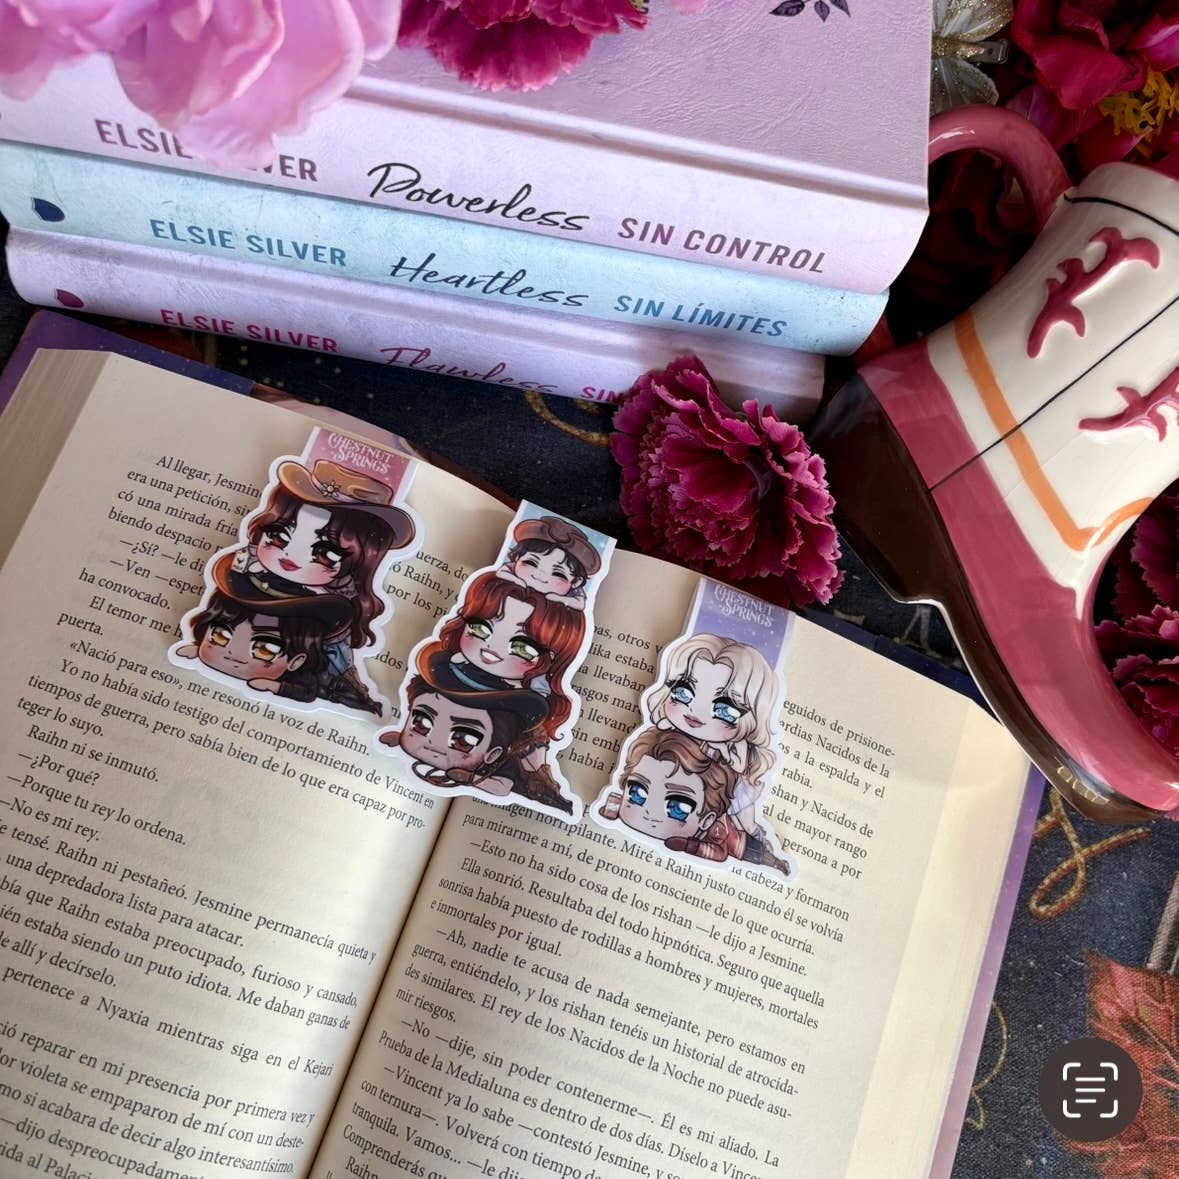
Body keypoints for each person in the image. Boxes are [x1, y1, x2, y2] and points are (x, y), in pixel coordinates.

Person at [175, 556, 379, 713]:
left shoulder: (307, 678)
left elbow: (308, 693)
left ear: (296, 661)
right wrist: (199, 650)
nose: (233, 654)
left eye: (264, 649)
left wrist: (277, 687)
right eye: (220, 636)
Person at [379, 651, 573, 814]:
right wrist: (402, 739)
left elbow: (502, 788)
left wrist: (471, 779)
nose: (434, 743)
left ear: (493, 754)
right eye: (421, 724)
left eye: (463, 740)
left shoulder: (502, 767)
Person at [600, 727, 792, 877]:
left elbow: (720, 854)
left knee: (758, 850)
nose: (650, 813)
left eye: (677, 807)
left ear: (706, 820)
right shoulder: (617, 806)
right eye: (637, 793)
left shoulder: (716, 834)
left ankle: (776, 861)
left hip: (741, 846)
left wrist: (689, 846)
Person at [646, 633, 779, 835]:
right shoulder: (675, 728)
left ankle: (754, 834)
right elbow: (660, 727)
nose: (695, 711)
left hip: (730, 784)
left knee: (742, 820)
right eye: (683, 692)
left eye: (724, 709)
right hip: (688, 784)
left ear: (751, 717)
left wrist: (724, 752)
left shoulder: (737, 743)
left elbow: (739, 766)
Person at [496, 515, 601, 610]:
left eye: (558, 573)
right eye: (531, 563)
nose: (540, 576)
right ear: (518, 557)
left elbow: (580, 604)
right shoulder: (511, 569)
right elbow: (501, 572)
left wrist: (558, 598)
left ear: (576, 582)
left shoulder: (575, 592)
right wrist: (516, 580)